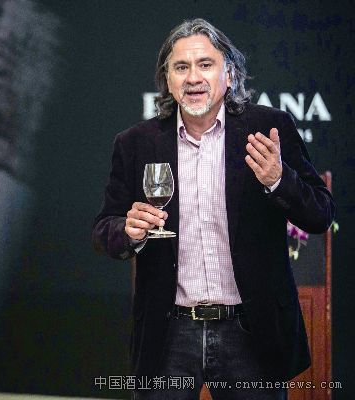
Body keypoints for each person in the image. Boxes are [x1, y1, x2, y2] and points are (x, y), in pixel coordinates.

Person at [92, 18, 335, 400]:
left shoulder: (268, 127)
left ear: (229, 73)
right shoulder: (135, 143)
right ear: (167, 79)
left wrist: (278, 180)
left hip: (251, 332)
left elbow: (320, 214)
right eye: (181, 67)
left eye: (205, 64)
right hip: (169, 335)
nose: (193, 77)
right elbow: (104, 229)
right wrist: (128, 230)